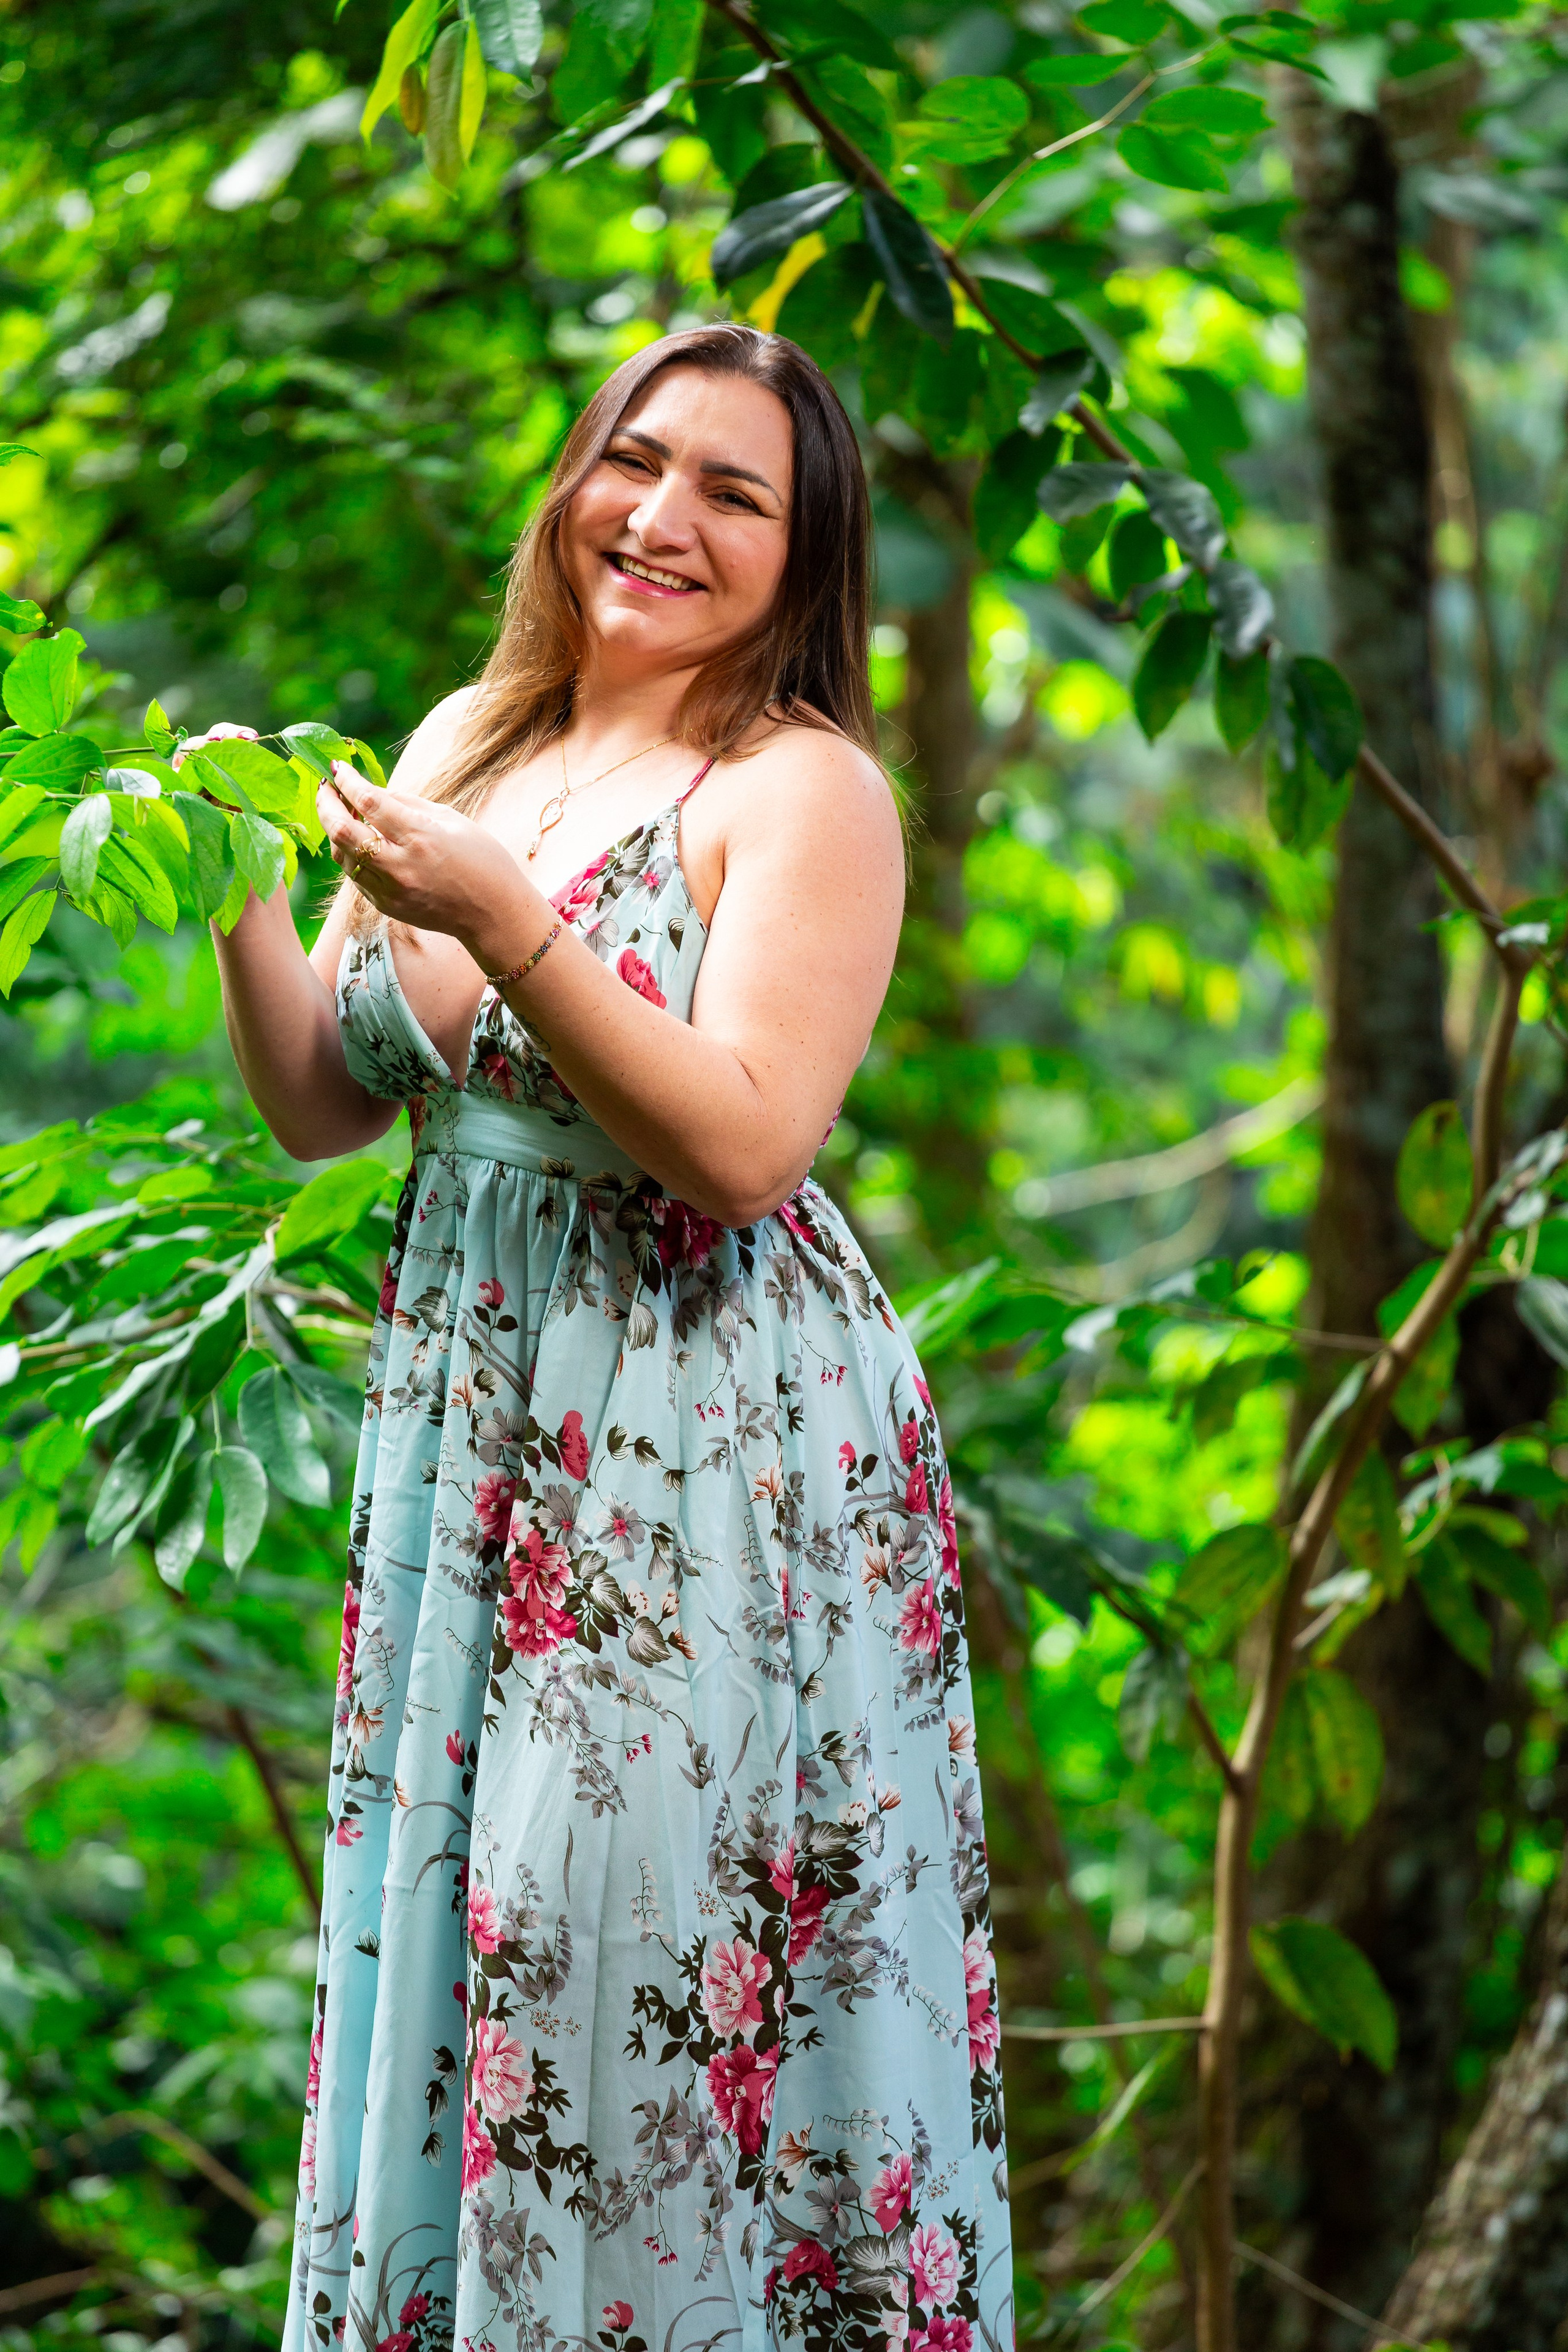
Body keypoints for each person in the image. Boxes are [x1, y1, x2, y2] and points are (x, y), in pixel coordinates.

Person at [214, 322, 1011, 2352]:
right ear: (575, 477)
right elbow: (329, 1094)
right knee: (471, 1938)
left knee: (625, 1973)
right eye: (634, 465)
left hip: (695, 1435)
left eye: (732, 496)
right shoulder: (472, 734)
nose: (658, 521)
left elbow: (743, 1143)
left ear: (802, 551)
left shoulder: (804, 789)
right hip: (479, 1421)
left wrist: (514, 927)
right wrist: (232, 883)